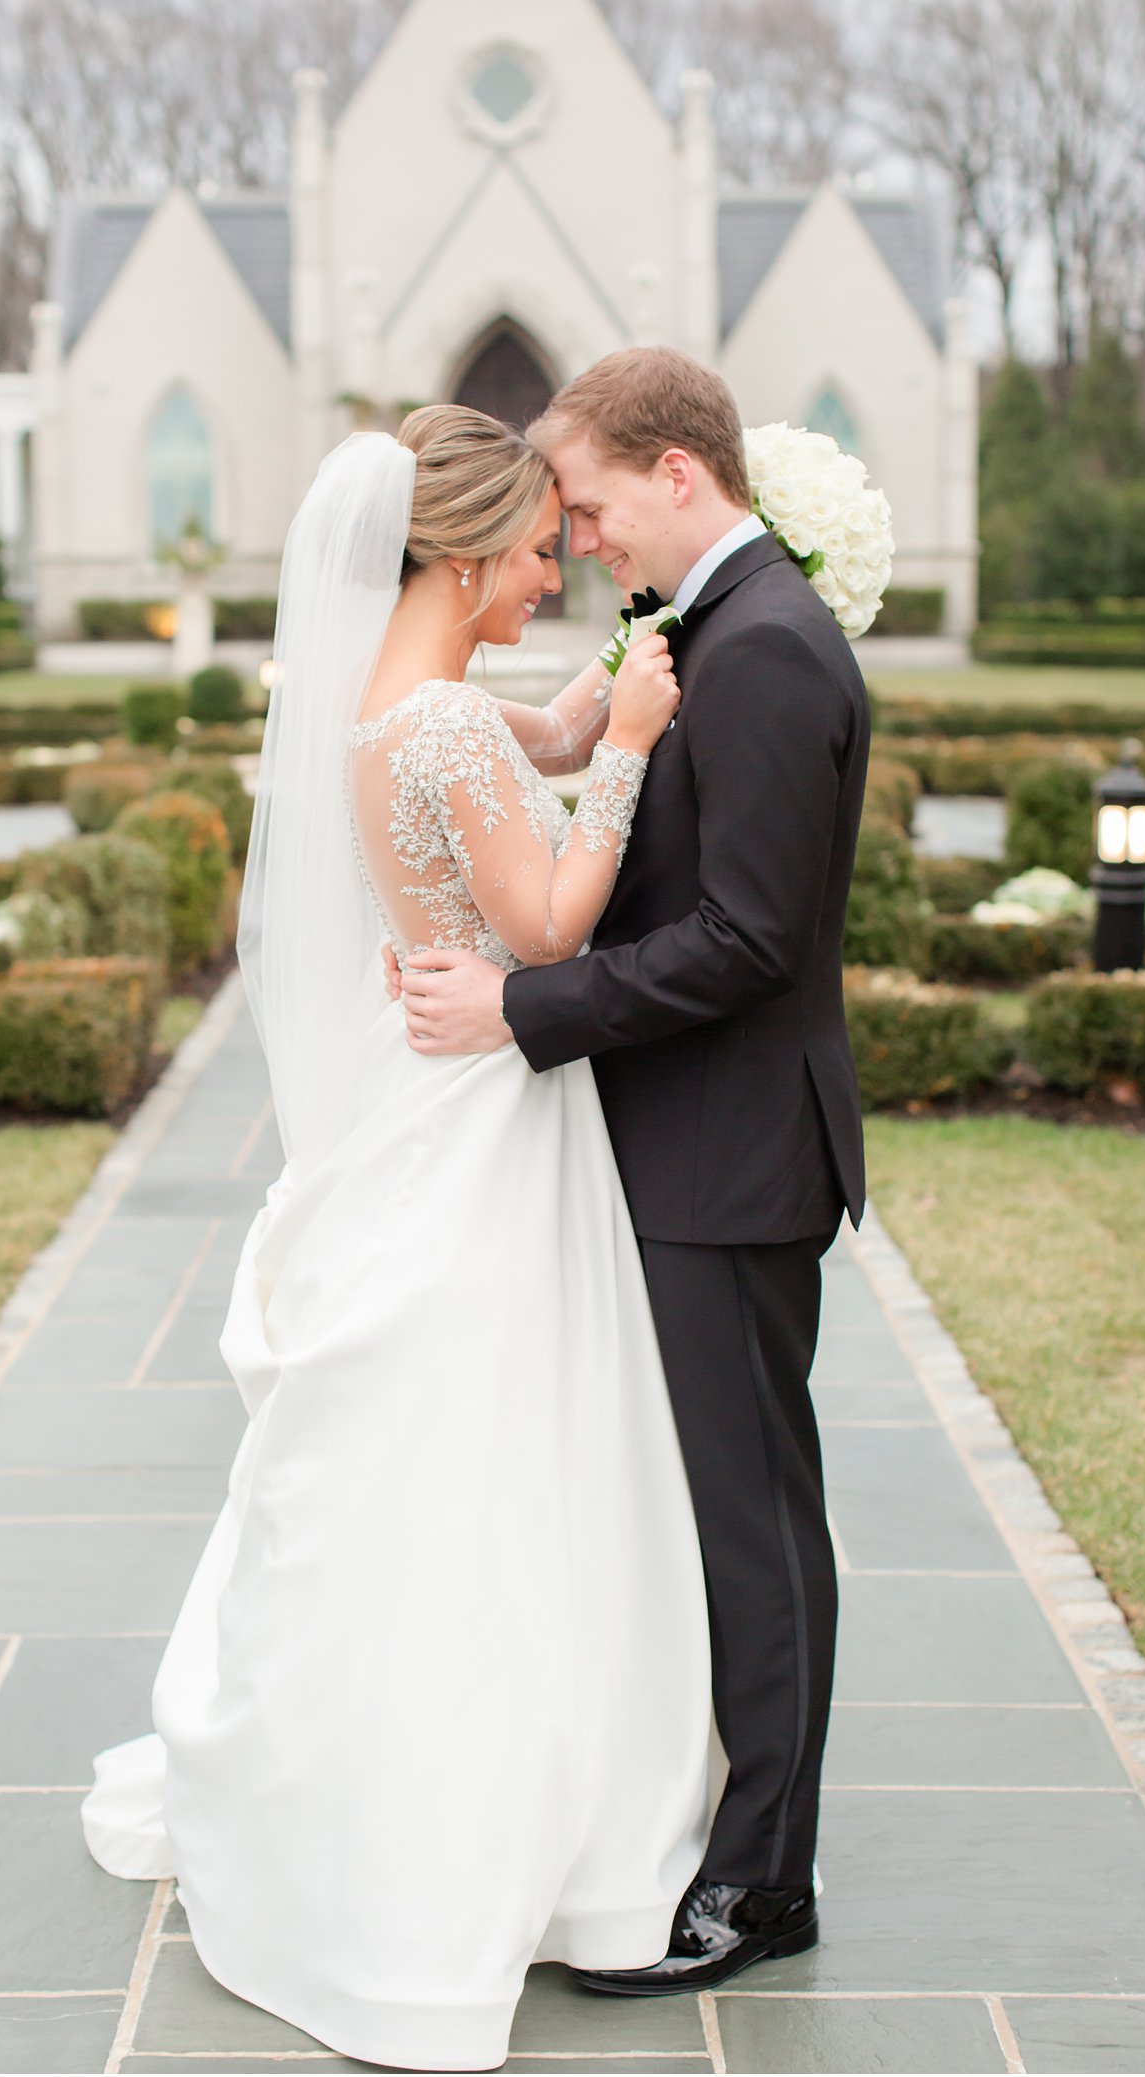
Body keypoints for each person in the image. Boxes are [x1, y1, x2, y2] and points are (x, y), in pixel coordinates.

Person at [80, 404, 715, 2074]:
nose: (551, 565)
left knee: (430, 1465)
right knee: (504, 1462)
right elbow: (547, 924)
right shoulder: (437, 726)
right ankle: (497, 1832)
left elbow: (520, 746)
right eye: (529, 548)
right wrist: (640, 735)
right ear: (454, 552)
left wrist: (584, 712)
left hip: (421, 1117)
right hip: (484, 1127)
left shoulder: (385, 708)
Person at [393, 348, 871, 1997]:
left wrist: (527, 1007)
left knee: (756, 1527)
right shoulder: (704, 636)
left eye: (592, 505)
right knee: (715, 1518)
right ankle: (719, 1836)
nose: (584, 539)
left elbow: (745, 940)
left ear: (679, 474)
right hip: (680, 1147)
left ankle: (763, 1883)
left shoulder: (774, 654)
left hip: (731, 1155)